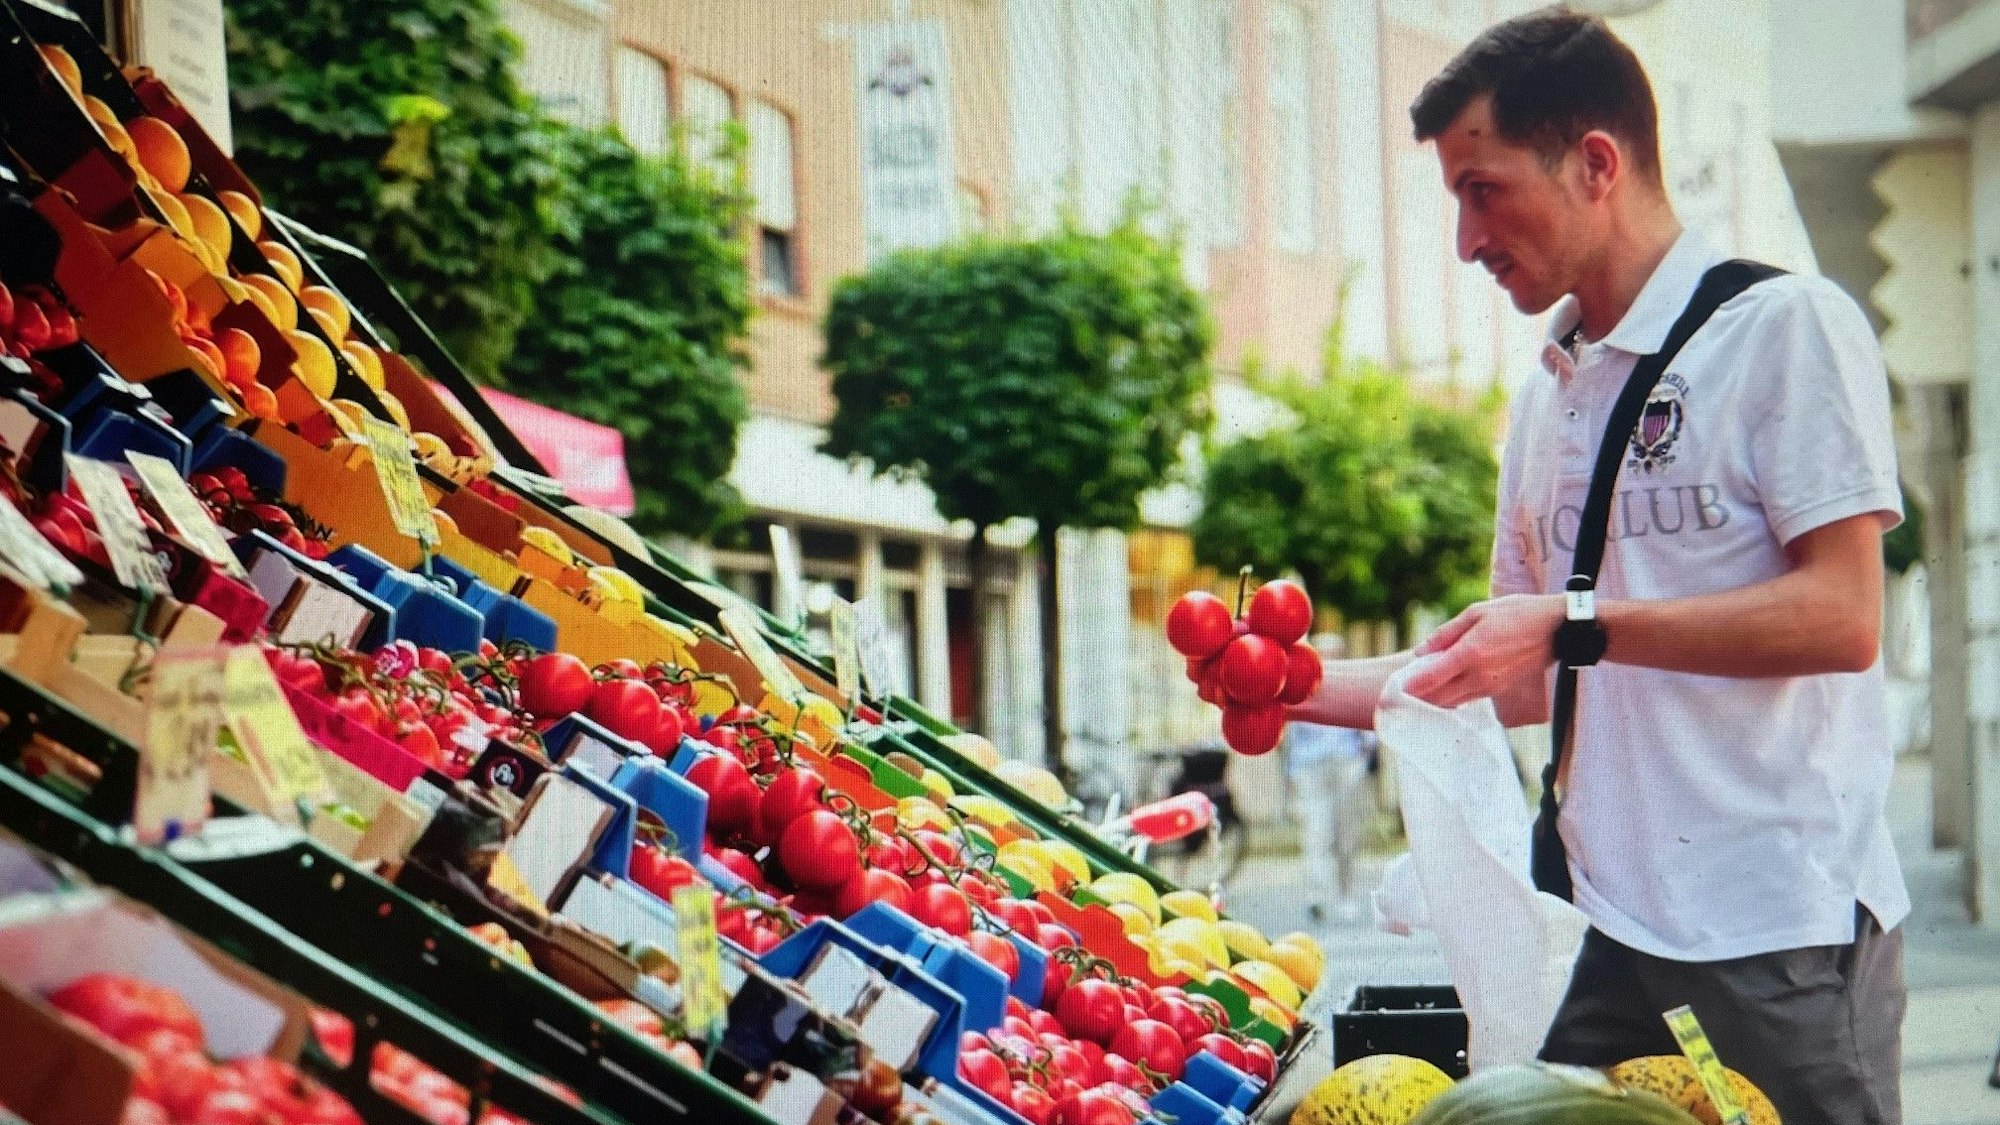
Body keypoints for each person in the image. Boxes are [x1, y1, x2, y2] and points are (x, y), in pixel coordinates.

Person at [1284, 9, 1907, 1122]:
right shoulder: (1548, 394)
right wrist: (1293, 691)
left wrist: (1577, 621)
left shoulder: (1781, 328)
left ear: (1594, 164)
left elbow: (1840, 617)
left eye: (1482, 190)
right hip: (1598, 935)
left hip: (1769, 936)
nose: (1465, 239)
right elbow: (1517, 675)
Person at [1284, 634, 1379, 924]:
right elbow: (1289, 738)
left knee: (1347, 834)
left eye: (1335, 654)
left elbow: (1370, 722)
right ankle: (1317, 895)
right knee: (1317, 831)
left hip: (1347, 764)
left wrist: (1366, 753)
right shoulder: (1299, 687)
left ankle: (1346, 893)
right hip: (1311, 769)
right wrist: (1289, 778)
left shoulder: (1352, 686)